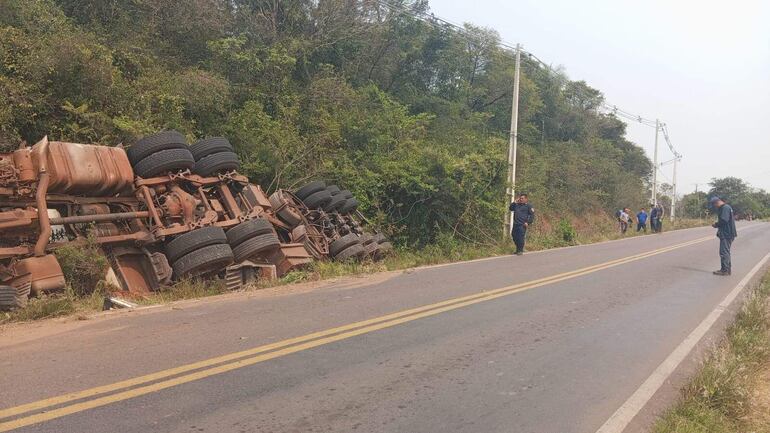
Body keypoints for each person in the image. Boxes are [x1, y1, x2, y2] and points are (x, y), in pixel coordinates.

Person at [710, 196, 737, 276]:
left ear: (717, 202)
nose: (715, 206)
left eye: (714, 204)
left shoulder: (725, 208)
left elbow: (724, 220)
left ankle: (725, 270)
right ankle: (727, 269)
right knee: (726, 252)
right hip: (728, 233)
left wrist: (716, 224)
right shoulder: (727, 207)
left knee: (724, 252)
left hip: (727, 234)